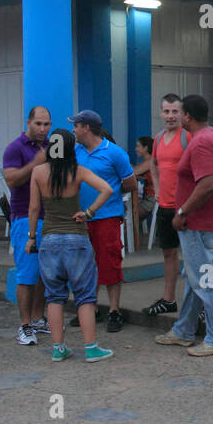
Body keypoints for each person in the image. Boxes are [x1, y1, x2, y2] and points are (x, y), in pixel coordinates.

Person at [26, 128, 115, 363]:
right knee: (85, 296)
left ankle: (58, 348)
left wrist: (31, 237)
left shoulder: (38, 172)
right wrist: (89, 212)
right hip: (76, 239)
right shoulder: (78, 170)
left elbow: (34, 208)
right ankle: (92, 348)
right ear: (69, 148)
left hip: (49, 241)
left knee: (54, 296)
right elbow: (107, 188)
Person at [156, 94, 213, 357]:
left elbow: (207, 183)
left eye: (180, 113)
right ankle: (184, 330)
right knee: (195, 278)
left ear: (187, 116)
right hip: (211, 221)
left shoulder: (200, 142)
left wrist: (182, 211)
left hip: (199, 224)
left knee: (206, 280)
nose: (176, 117)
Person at [70, 110, 137, 334]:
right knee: (85, 265)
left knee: (109, 261)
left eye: (76, 125)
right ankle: (92, 308)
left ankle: (114, 310)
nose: (74, 129)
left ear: (86, 128)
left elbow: (130, 183)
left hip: (107, 216)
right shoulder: (75, 151)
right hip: (81, 217)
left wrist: (112, 198)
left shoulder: (115, 153)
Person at [3, 106, 51, 345]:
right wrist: (36, 162)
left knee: (44, 273)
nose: (42, 129)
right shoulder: (15, 148)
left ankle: (38, 318)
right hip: (24, 217)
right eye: (38, 124)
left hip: (49, 216)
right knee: (27, 274)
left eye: (46, 124)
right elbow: (12, 180)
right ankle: (24, 325)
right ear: (28, 123)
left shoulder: (51, 146)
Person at [145, 94, 189, 317]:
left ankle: (197, 305)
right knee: (168, 254)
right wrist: (158, 191)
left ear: (182, 113)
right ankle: (169, 299)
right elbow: (153, 164)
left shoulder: (188, 137)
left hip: (186, 208)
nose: (171, 116)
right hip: (165, 206)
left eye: (175, 111)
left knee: (192, 256)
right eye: (167, 111)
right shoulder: (159, 138)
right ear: (161, 113)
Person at [133, 136, 157, 246]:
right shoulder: (148, 161)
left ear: (146, 148)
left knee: (130, 217)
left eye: (138, 146)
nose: (135, 149)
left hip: (152, 200)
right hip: (148, 198)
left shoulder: (150, 161)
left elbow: (133, 172)